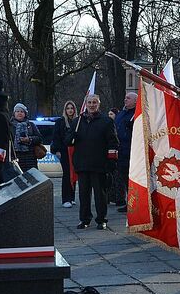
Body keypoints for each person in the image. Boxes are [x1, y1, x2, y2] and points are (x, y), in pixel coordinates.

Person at [66, 94, 119, 230]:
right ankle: (84, 219)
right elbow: (67, 141)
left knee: (100, 195)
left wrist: (111, 162)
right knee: (83, 195)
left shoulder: (107, 121)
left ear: (98, 104)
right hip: (82, 164)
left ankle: (101, 220)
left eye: (94, 102)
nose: (91, 105)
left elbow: (113, 143)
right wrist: (72, 135)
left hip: (99, 164)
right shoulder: (77, 121)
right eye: (89, 102)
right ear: (85, 104)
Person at [51, 100, 77, 207]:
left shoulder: (77, 121)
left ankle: (72, 197)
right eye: (68, 108)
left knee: (74, 174)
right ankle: (66, 199)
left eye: (71, 108)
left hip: (76, 151)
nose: (70, 110)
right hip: (64, 151)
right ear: (65, 110)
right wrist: (57, 150)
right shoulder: (60, 122)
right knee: (66, 174)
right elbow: (56, 137)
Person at [115, 91, 136, 213]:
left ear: (135, 101)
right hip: (121, 151)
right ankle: (128, 201)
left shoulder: (137, 114)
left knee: (131, 179)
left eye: (128, 98)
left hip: (131, 152)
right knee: (124, 178)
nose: (125, 100)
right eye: (125, 97)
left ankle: (134, 203)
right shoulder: (121, 114)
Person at [10, 103, 42, 172]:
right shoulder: (10, 126)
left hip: (30, 158)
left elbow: (39, 138)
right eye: (17, 111)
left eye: (22, 111)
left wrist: (29, 139)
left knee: (32, 179)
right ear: (14, 113)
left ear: (25, 114)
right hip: (15, 158)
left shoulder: (31, 125)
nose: (19, 113)